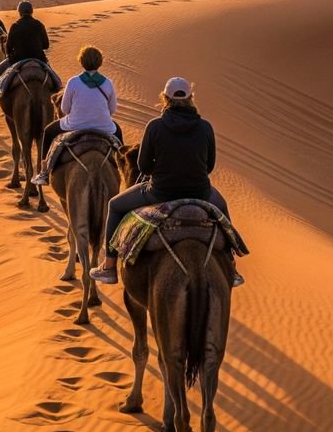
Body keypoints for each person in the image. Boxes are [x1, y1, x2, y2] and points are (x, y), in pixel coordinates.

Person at [90, 76, 242, 286]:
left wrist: (160, 171)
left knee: (114, 206)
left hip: (160, 192)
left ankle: (108, 267)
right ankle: (231, 266)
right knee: (222, 208)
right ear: (191, 98)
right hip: (200, 192)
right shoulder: (205, 127)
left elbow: (143, 167)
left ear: (165, 98)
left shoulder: (155, 126)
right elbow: (210, 166)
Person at [32, 44, 122, 186]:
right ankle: (122, 166)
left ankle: (44, 172)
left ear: (81, 61)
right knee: (119, 132)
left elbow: (65, 108)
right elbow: (112, 110)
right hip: (104, 126)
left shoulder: (73, 82)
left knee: (48, 132)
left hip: (74, 124)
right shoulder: (108, 83)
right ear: (100, 62)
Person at [0, 1, 60, 112]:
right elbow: (46, 45)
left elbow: (8, 47)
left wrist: (12, 52)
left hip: (18, 59)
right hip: (39, 59)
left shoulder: (15, 26)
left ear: (19, 12)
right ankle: (59, 99)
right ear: (32, 11)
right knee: (56, 80)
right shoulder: (39, 24)